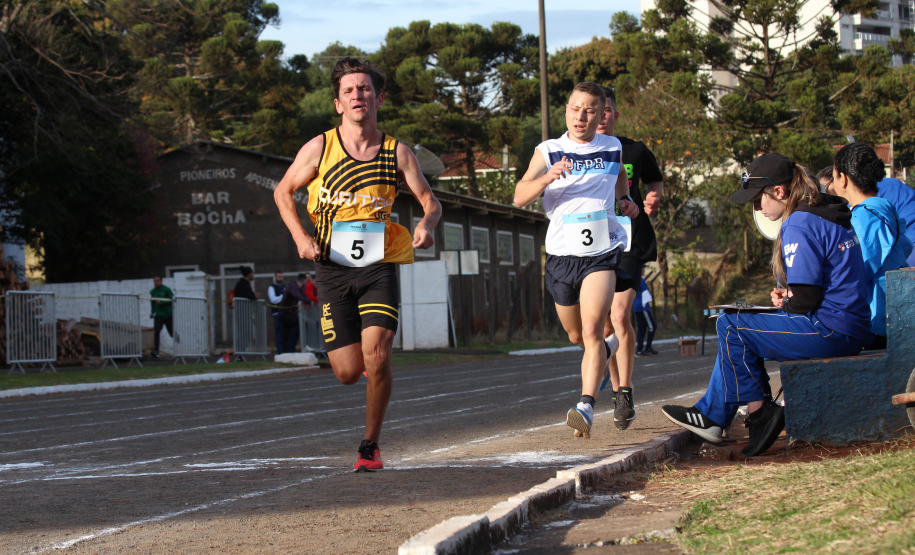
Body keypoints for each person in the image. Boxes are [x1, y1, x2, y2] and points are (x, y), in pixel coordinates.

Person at [274, 57, 442, 472]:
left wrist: (426, 224)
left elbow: (430, 201)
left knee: (378, 353)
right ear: (338, 103)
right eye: (349, 90)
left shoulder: (397, 152)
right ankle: (368, 371)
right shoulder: (320, 148)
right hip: (331, 269)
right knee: (348, 372)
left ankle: (370, 446)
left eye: (364, 88)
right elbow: (282, 191)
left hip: (377, 266)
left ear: (378, 98)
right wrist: (300, 237)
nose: (357, 95)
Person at [662, 153, 871, 456]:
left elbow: (806, 301)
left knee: (731, 324)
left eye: (758, 199)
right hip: (849, 325)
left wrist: (786, 304)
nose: (757, 208)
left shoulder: (799, 222)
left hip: (831, 330)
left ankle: (758, 412)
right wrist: (787, 300)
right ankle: (712, 416)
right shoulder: (823, 211)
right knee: (738, 325)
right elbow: (820, 286)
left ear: (779, 191)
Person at [514, 81, 639, 439]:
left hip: (600, 253)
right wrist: (547, 177)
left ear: (602, 115)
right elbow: (520, 196)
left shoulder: (612, 147)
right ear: (566, 110)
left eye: (590, 110)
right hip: (561, 257)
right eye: (575, 108)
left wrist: (626, 202)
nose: (581, 116)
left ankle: (585, 405)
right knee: (575, 335)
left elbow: (620, 180)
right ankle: (610, 347)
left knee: (592, 329)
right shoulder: (548, 150)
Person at [595, 86, 665, 429]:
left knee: (621, 314)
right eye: (595, 110)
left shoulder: (634, 150)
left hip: (629, 240)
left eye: (606, 110)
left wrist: (652, 198)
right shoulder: (576, 154)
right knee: (605, 324)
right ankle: (616, 389)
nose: (600, 116)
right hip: (593, 242)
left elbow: (655, 182)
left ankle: (625, 391)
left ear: (615, 115)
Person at [830, 143, 912, 349]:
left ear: (843, 178)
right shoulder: (880, 208)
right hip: (884, 318)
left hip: (875, 322)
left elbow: (853, 272)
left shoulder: (866, 216)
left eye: (833, 176)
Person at [819, 161, 915, 266]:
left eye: (824, 189)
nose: (825, 197)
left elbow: (865, 259)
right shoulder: (886, 187)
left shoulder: (863, 209)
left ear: (842, 180)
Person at [277, 273, 310, 354]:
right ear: (304, 281)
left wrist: (307, 301)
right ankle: (289, 350)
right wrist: (307, 301)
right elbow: (299, 296)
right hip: (285, 313)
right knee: (300, 324)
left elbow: (305, 297)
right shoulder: (294, 287)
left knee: (287, 333)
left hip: (287, 313)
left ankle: (287, 351)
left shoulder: (297, 287)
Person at [632, 273, 657, 357]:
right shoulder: (641, 280)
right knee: (652, 326)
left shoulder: (633, 279)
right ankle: (648, 348)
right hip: (643, 307)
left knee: (641, 329)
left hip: (636, 306)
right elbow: (646, 291)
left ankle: (639, 350)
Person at [149, 276, 174, 359]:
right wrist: (152, 312)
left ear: (161, 281)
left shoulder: (166, 289)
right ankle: (156, 351)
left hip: (168, 314)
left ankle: (179, 346)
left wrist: (162, 302)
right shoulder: (153, 291)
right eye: (154, 281)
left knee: (172, 333)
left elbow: (172, 299)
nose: (156, 282)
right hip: (159, 315)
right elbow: (152, 302)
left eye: (157, 281)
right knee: (156, 331)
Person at [268, 272, 287, 354]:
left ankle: (285, 351)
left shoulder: (285, 287)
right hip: (277, 313)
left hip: (285, 313)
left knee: (285, 332)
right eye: (279, 277)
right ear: (275, 277)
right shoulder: (272, 287)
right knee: (278, 333)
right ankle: (280, 351)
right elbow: (273, 300)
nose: (280, 278)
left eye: (281, 277)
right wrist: (283, 296)